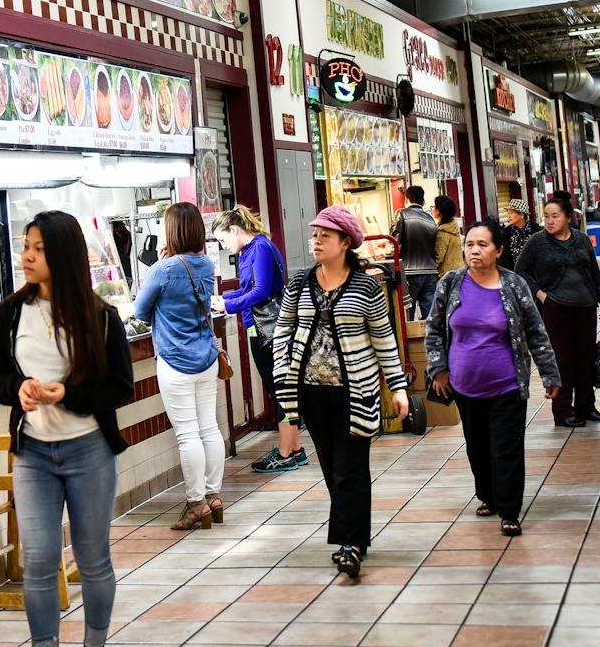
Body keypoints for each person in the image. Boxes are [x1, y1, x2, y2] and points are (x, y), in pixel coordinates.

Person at [0, 210, 134, 647]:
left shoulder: (101, 317)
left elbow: (118, 386)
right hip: (33, 455)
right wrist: (19, 389)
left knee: (92, 557)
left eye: (39, 249)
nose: (26, 256)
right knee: (40, 559)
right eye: (26, 246)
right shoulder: (10, 314)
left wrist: (66, 393)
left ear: (63, 255)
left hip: (89, 448)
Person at [273, 207, 410, 578]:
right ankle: (355, 534)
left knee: (350, 467)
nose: (315, 241)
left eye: (325, 236)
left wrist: (398, 387)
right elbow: (283, 331)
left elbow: (384, 339)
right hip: (311, 391)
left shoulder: (366, 286)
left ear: (345, 243)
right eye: (314, 235)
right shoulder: (300, 283)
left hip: (356, 391)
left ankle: (348, 545)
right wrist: (281, 374)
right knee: (333, 468)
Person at [426, 220, 562, 537]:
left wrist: (549, 372)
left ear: (498, 250)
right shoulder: (451, 283)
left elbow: (535, 332)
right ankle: (487, 496)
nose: (474, 250)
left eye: (482, 244)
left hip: (507, 385)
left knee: (507, 448)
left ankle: (510, 510)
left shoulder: (514, 285)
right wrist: (438, 369)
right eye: (470, 243)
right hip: (464, 385)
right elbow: (434, 330)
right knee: (477, 446)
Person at [135, 203, 223, 531]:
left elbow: (141, 311)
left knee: (188, 435)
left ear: (171, 232)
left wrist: (160, 264)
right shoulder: (205, 264)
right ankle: (214, 497)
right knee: (209, 428)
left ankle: (196, 503)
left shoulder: (164, 269)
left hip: (174, 361)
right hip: (206, 358)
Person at [209, 206, 303, 474]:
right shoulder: (247, 251)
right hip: (258, 328)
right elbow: (245, 289)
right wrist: (224, 299)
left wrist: (227, 306)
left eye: (224, 239)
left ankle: (286, 453)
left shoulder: (260, 247)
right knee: (278, 390)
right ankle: (293, 448)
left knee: (280, 390)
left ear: (236, 230)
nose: (224, 246)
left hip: (271, 330)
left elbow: (261, 291)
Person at [516, 193, 600, 428]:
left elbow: (593, 270)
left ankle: (587, 407)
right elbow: (520, 271)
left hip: (585, 307)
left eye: (554, 216)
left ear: (568, 217)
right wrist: (541, 295)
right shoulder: (537, 242)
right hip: (556, 309)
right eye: (546, 216)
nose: (549, 221)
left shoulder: (581, 240)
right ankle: (563, 411)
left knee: (585, 359)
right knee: (563, 361)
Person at [393, 186, 438, 318]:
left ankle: (411, 339)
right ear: (423, 202)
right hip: (430, 272)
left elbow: (394, 242)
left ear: (406, 199)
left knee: (408, 314)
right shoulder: (431, 220)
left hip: (409, 272)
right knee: (429, 314)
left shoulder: (401, 213)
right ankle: (430, 338)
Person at [501, 198, 539, 272]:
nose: (509, 216)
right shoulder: (507, 232)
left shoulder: (535, 230)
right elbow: (505, 256)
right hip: (514, 274)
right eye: (508, 213)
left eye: (511, 213)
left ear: (521, 215)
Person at [434, 195, 463, 275]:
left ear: (439, 211)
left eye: (434, 206)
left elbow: (438, 257)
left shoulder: (443, 232)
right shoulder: (453, 226)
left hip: (447, 274)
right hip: (458, 270)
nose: (433, 209)